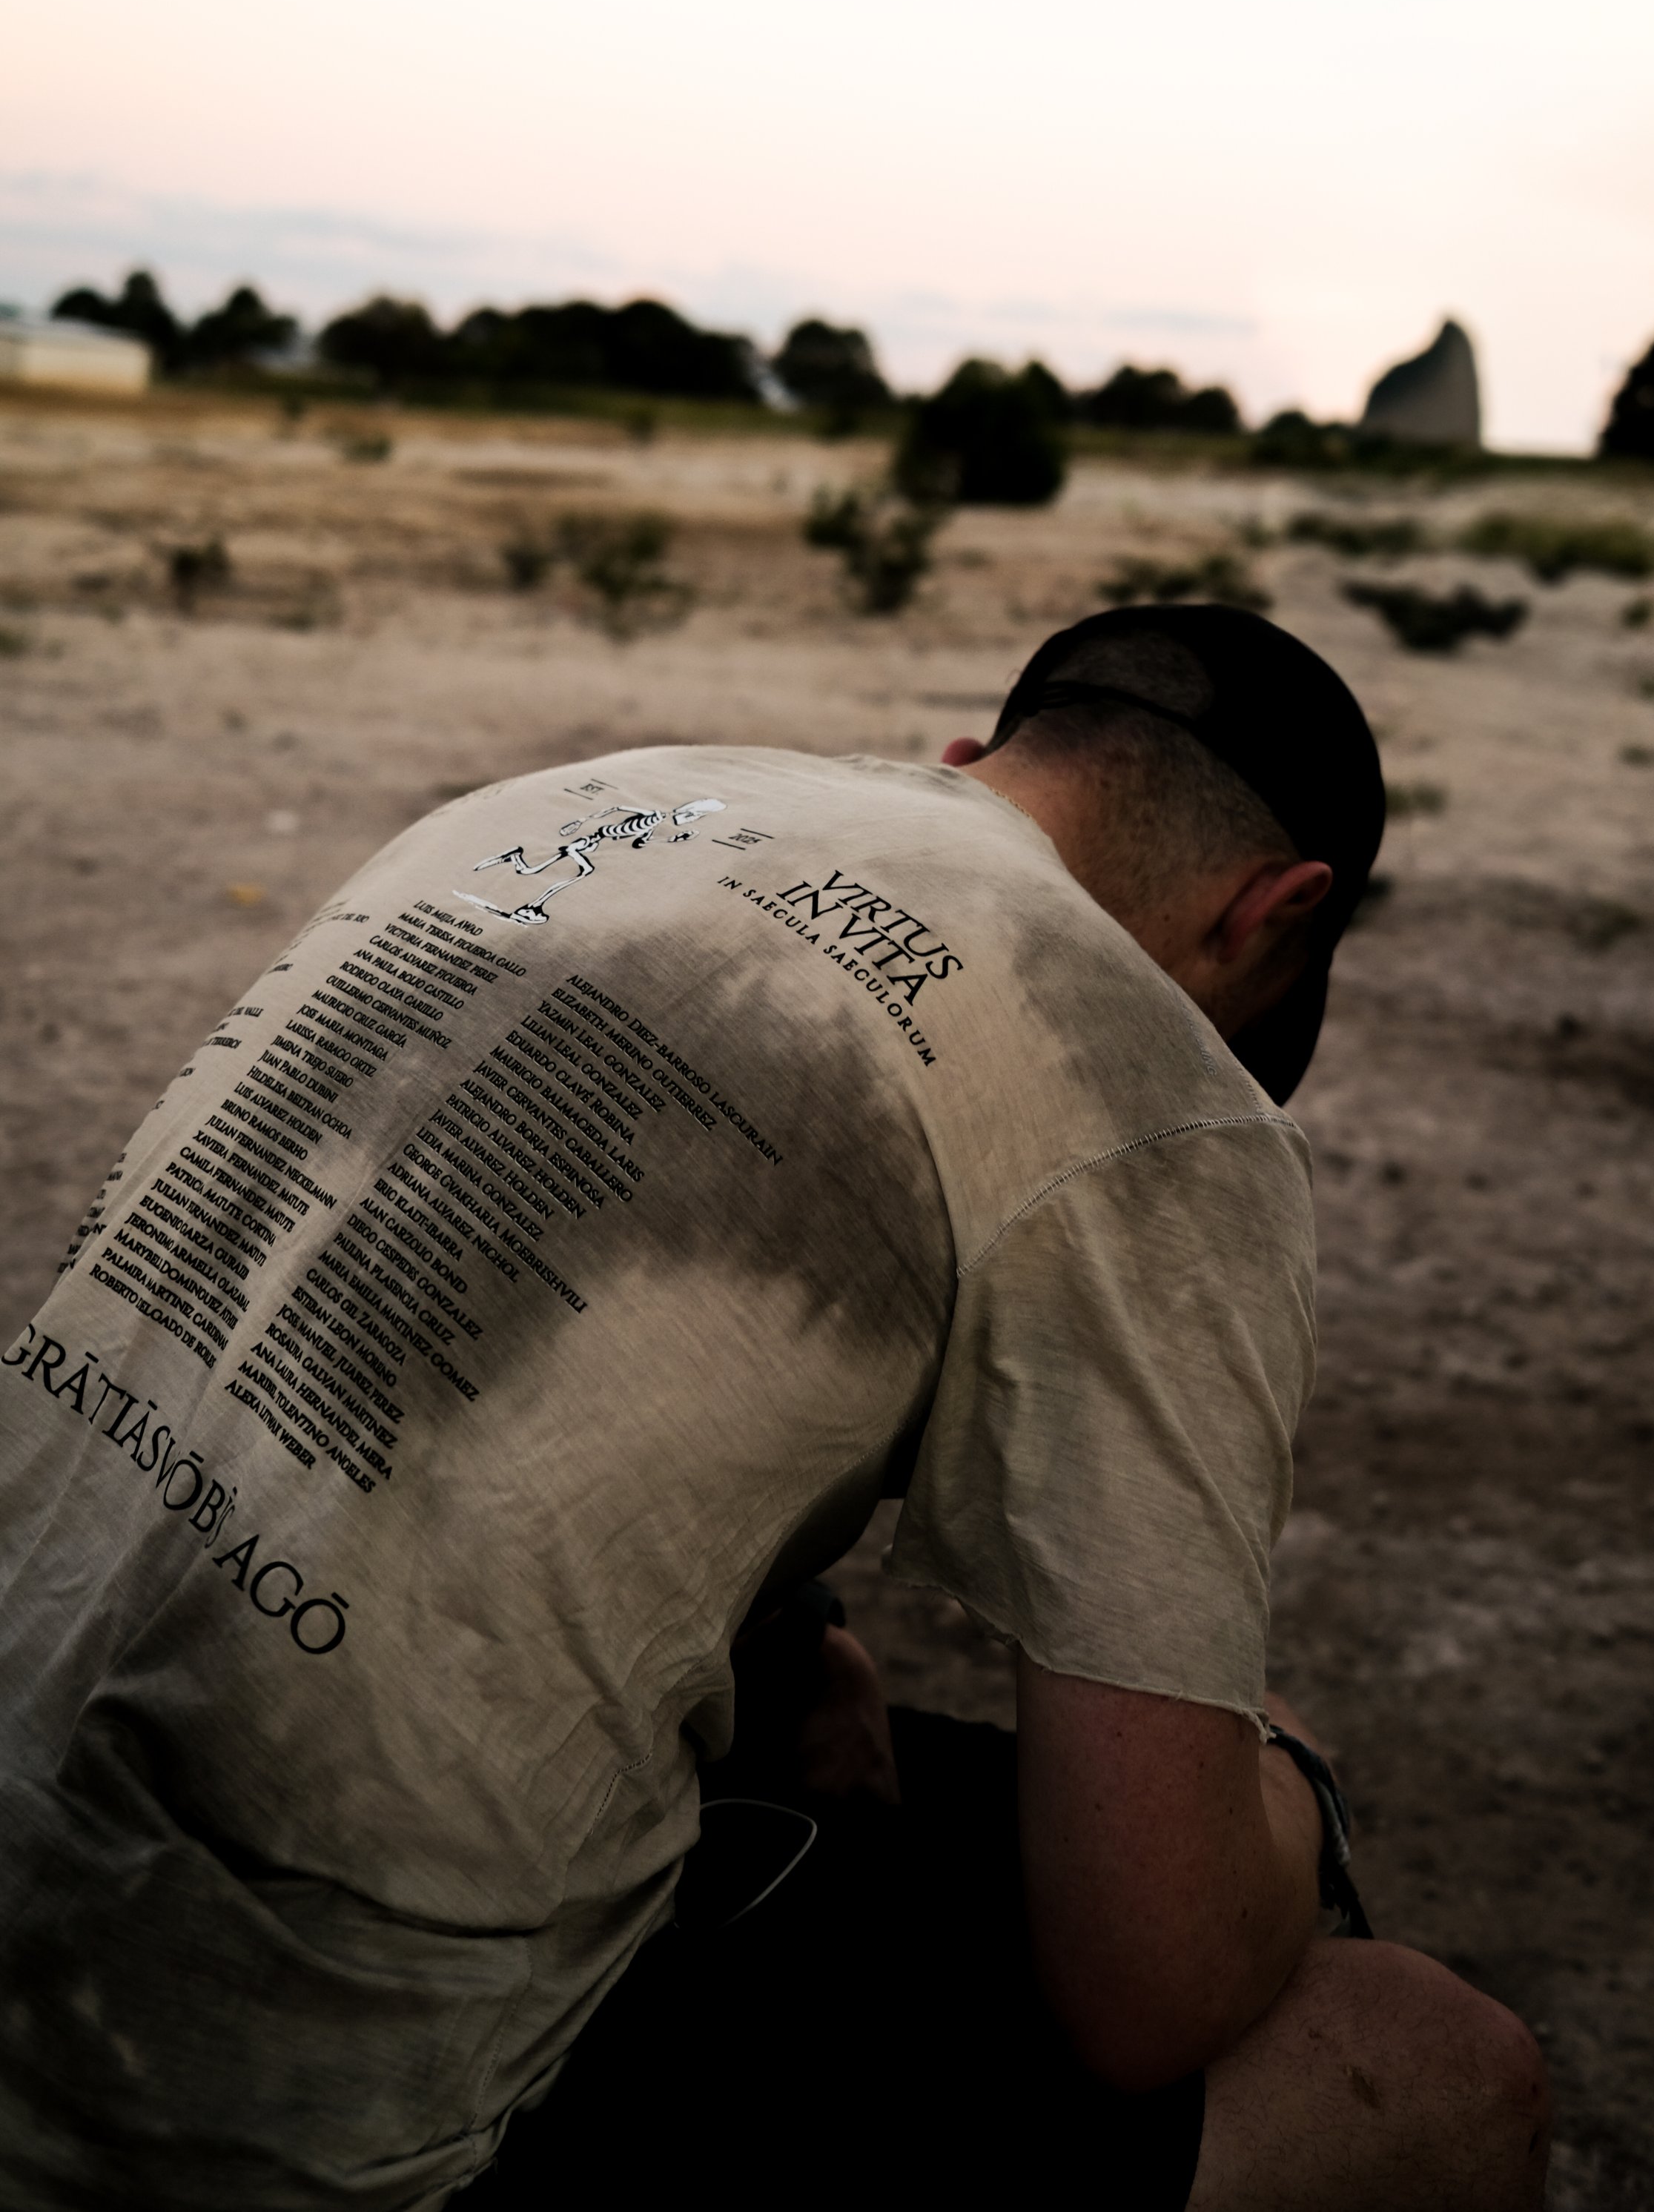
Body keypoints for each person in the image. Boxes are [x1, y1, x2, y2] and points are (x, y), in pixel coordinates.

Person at [0, 604, 1549, 2210]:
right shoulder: (1148, 1084)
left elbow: (450, 1372)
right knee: (1433, 2065)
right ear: (1270, 913)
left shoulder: (575, 806)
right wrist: (1294, 1784)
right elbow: (1142, 1995)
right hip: (258, 2127)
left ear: (972, 765)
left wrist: (795, 1645)